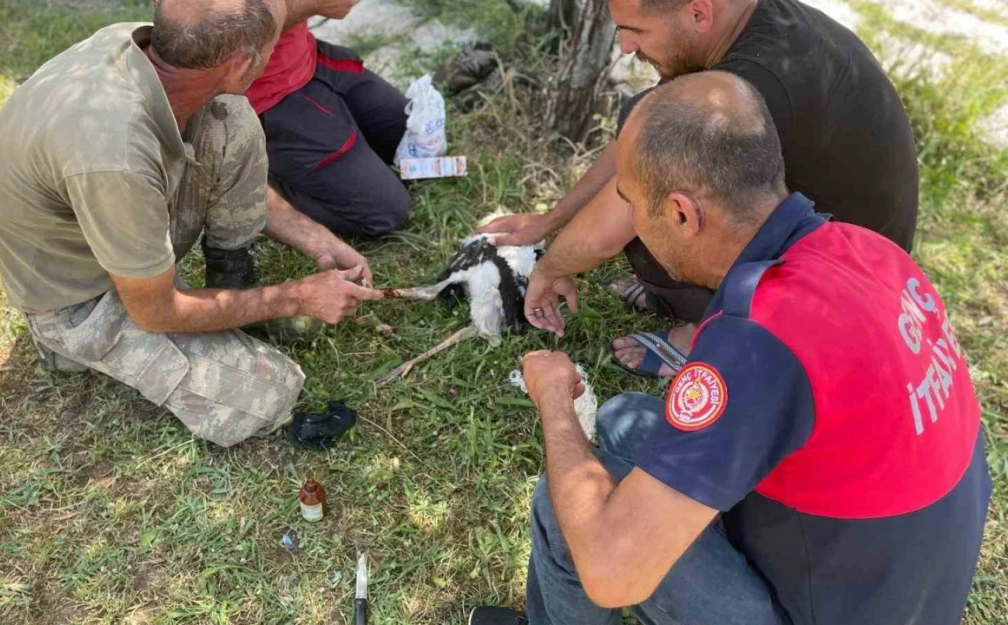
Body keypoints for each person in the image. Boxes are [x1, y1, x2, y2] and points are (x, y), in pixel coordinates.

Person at [468, 72, 989, 625]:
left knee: (570, 500)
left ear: (681, 214)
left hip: (823, 605)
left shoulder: (758, 336)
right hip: (898, 588)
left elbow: (608, 570)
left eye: (632, 206)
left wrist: (554, 401)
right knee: (627, 422)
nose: (634, 228)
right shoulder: (867, 250)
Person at [0, 0, 384, 448]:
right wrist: (294, 297)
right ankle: (63, 346)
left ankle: (233, 280)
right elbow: (154, 311)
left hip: (110, 223)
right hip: (77, 298)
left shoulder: (149, 49)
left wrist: (316, 238)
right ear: (242, 64)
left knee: (232, 120)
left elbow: (210, 148)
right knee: (268, 392)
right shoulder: (117, 155)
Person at [480, 0, 919, 378]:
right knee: (648, 139)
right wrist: (551, 220)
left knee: (654, 207)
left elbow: (608, 228)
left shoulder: (757, 81)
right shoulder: (739, 21)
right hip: (847, 248)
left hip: (843, 297)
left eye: (635, 30)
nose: (626, 47)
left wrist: (553, 268)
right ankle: (696, 302)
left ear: (697, 13)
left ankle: (702, 331)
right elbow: (640, 140)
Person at [245, 0, 412, 238]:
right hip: (263, 99)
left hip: (307, 58)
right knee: (387, 215)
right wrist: (308, 6)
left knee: (412, 142)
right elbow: (221, 33)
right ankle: (246, 182)